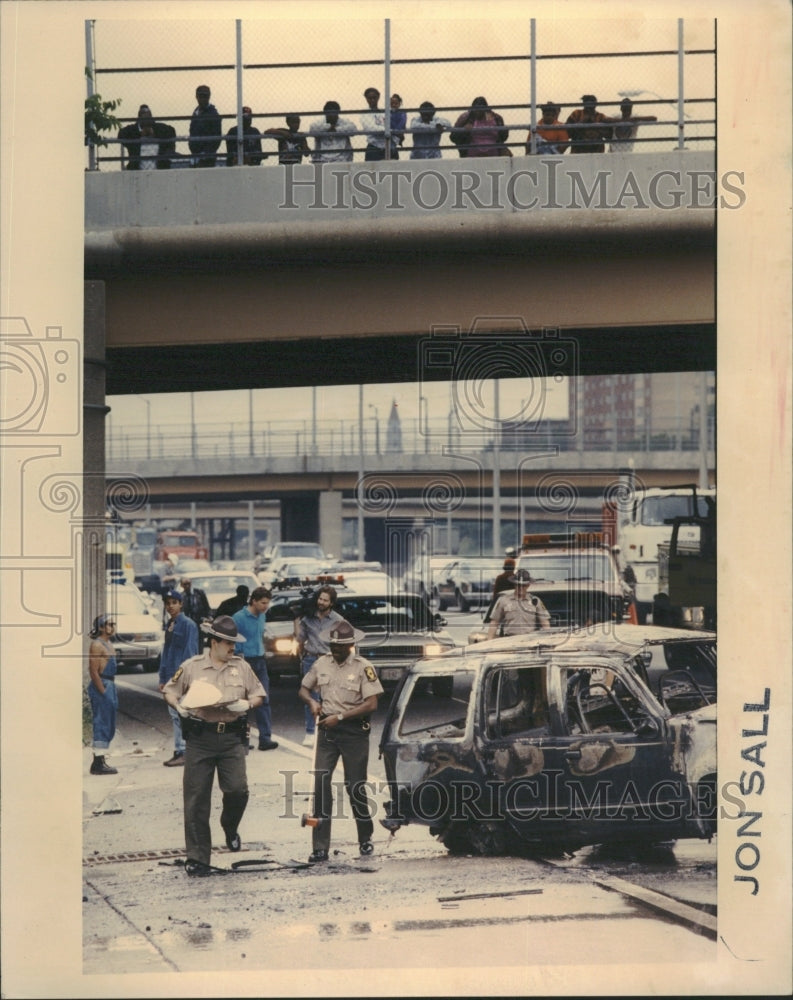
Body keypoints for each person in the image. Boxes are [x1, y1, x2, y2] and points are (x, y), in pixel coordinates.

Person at [163, 616, 266, 875]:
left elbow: (258, 694)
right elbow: (170, 690)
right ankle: (198, 858)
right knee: (196, 800)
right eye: (228, 643)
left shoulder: (241, 667)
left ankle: (229, 825)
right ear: (214, 642)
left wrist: (248, 704)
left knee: (237, 790)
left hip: (231, 739)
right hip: (200, 739)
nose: (232, 648)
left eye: (234, 643)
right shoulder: (192, 666)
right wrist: (179, 708)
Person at [298, 619, 384, 863]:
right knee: (321, 784)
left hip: (353, 732)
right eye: (332, 645)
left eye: (340, 646)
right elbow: (303, 688)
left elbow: (372, 704)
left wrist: (341, 716)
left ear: (351, 645)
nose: (334, 649)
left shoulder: (363, 667)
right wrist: (312, 702)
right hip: (327, 730)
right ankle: (320, 846)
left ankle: (365, 838)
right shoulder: (321, 663)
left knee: (355, 786)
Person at [294, 584, 343, 746]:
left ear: (331, 603)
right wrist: (296, 619)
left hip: (329, 660)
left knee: (330, 695)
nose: (321, 602)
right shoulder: (308, 618)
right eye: (320, 599)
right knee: (310, 697)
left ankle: (329, 730)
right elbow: (299, 639)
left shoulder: (338, 620)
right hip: (311, 659)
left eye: (325, 600)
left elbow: (346, 640)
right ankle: (310, 732)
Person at [233, 587, 278, 751]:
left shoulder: (263, 616)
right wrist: (239, 656)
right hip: (245, 661)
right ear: (254, 601)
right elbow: (233, 639)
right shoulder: (238, 617)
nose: (266, 606)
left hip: (260, 660)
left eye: (268, 603)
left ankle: (265, 738)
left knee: (263, 699)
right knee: (244, 701)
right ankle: (242, 740)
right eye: (263, 603)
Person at [159, 589, 200, 767]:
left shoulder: (188, 625)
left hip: (181, 677)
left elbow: (190, 654)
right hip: (170, 677)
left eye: (174, 603)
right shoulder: (171, 624)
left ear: (181, 604)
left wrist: (182, 679)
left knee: (181, 714)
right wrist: (163, 677)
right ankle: (180, 750)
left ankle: (184, 750)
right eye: (168, 603)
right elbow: (166, 653)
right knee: (175, 714)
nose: (170, 606)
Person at [87, 614, 119, 775]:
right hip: (103, 684)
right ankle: (97, 762)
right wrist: (103, 691)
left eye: (114, 624)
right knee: (101, 722)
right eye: (109, 624)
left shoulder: (109, 643)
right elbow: (93, 671)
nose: (112, 627)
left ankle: (102, 757)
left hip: (110, 685)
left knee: (109, 722)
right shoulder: (97, 645)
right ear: (101, 627)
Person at [487, 568, 551, 639]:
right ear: (514, 584)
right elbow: (494, 622)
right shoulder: (503, 600)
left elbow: (545, 623)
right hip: (508, 640)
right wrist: (489, 641)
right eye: (518, 585)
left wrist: (547, 640)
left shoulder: (535, 601)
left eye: (524, 585)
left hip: (530, 641)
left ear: (528, 585)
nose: (521, 587)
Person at [118, 104, 177, 169]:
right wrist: (139, 134)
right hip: (137, 171)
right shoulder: (133, 131)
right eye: (143, 115)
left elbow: (172, 131)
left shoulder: (159, 129)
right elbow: (120, 135)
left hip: (159, 170)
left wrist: (155, 133)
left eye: (148, 115)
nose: (146, 117)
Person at [189, 84, 222, 167]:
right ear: (196, 97)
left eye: (205, 96)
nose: (203, 99)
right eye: (201, 96)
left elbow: (216, 138)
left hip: (207, 158)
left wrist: (205, 154)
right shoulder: (196, 112)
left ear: (209, 97)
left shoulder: (213, 115)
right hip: (196, 155)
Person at [360, 87, 394, 161]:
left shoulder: (384, 112)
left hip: (388, 145)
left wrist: (388, 130)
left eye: (374, 97)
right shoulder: (365, 113)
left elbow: (393, 123)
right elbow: (370, 128)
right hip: (374, 147)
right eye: (370, 98)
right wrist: (388, 130)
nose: (372, 100)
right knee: (372, 171)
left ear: (378, 97)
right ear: (366, 98)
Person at [483, 557, 517, 623]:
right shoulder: (516, 578)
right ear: (513, 567)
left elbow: (495, 593)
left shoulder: (499, 578)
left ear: (504, 567)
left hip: (500, 602)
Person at [389, 93, 407, 158]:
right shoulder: (388, 113)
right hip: (390, 134)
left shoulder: (402, 113)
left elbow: (402, 123)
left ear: (399, 104)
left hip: (398, 133)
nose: (394, 105)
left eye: (396, 103)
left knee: (393, 148)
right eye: (392, 103)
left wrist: (396, 131)